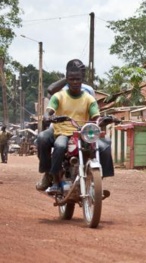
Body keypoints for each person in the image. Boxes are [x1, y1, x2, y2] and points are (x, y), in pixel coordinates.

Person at [36, 62, 114, 194]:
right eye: (71, 78)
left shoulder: (89, 95)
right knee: (54, 143)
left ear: (82, 77)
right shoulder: (59, 94)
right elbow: (49, 107)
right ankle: (51, 176)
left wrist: (102, 120)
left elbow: (95, 116)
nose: (75, 81)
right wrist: (47, 116)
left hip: (83, 131)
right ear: (67, 77)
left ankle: (99, 180)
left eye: (78, 78)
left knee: (105, 145)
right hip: (61, 130)